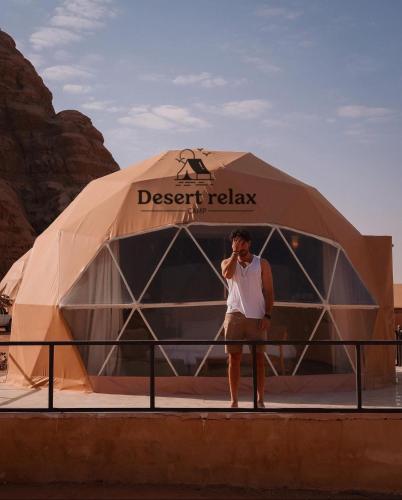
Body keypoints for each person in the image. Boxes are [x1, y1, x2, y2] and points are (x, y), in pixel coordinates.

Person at [221, 229, 274, 408]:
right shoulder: (227, 262)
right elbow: (227, 274)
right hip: (234, 314)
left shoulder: (262, 263)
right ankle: (234, 400)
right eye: (236, 242)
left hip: (257, 315)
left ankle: (260, 400)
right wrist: (235, 254)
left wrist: (267, 314)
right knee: (233, 358)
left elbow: (268, 290)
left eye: (243, 242)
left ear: (249, 243)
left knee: (259, 359)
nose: (240, 245)